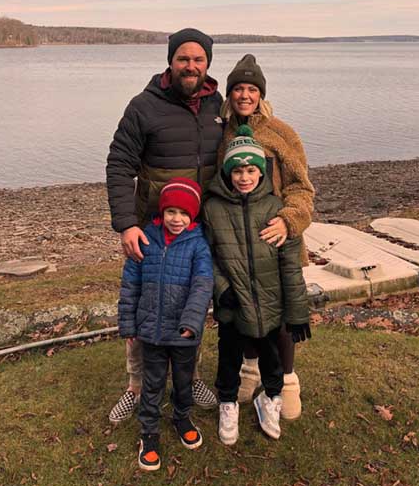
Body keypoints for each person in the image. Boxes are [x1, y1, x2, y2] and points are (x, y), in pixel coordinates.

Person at [106, 28, 223, 423]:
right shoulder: (143, 107)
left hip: (197, 230)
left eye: (198, 59)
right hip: (152, 229)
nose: (191, 66)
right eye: (183, 59)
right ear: (170, 62)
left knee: (193, 303)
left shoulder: (217, 104)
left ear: (207, 63)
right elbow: (119, 164)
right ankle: (136, 387)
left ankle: (190, 379)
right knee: (146, 305)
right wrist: (126, 224)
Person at [218, 53, 315, 420]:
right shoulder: (222, 134)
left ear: (261, 94)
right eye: (238, 89)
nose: (245, 95)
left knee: (282, 317)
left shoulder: (281, 134)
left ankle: (286, 382)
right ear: (229, 94)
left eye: (252, 89)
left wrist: (288, 222)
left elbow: (301, 188)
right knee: (244, 311)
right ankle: (249, 372)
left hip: (276, 240)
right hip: (238, 245)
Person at [203, 125, 311, 444]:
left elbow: (291, 267)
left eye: (251, 170)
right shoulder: (213, 209)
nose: (244, 177)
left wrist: (297, 313)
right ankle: (227, 402)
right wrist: (222, 290)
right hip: (232, 303)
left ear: (261, 171)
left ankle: (271, 397)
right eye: (237, 171)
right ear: (228, 172)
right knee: (229, 355)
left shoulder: (276, 210)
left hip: (270, 304)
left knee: (272, 357)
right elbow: (206, 256)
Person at [118, 178, 213, 471]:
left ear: (192, 216)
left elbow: (202, 285)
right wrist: (129, 324)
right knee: (152, 384)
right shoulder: (146, 239)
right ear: (162, 211)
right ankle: (149, 432)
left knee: (184, 382)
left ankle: (182, 417)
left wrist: (192, 321)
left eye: (184, 213)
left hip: (184, 333)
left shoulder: (198, 244)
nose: (177, 219)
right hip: (151, 331)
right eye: (171, 211)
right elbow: (130, 285)